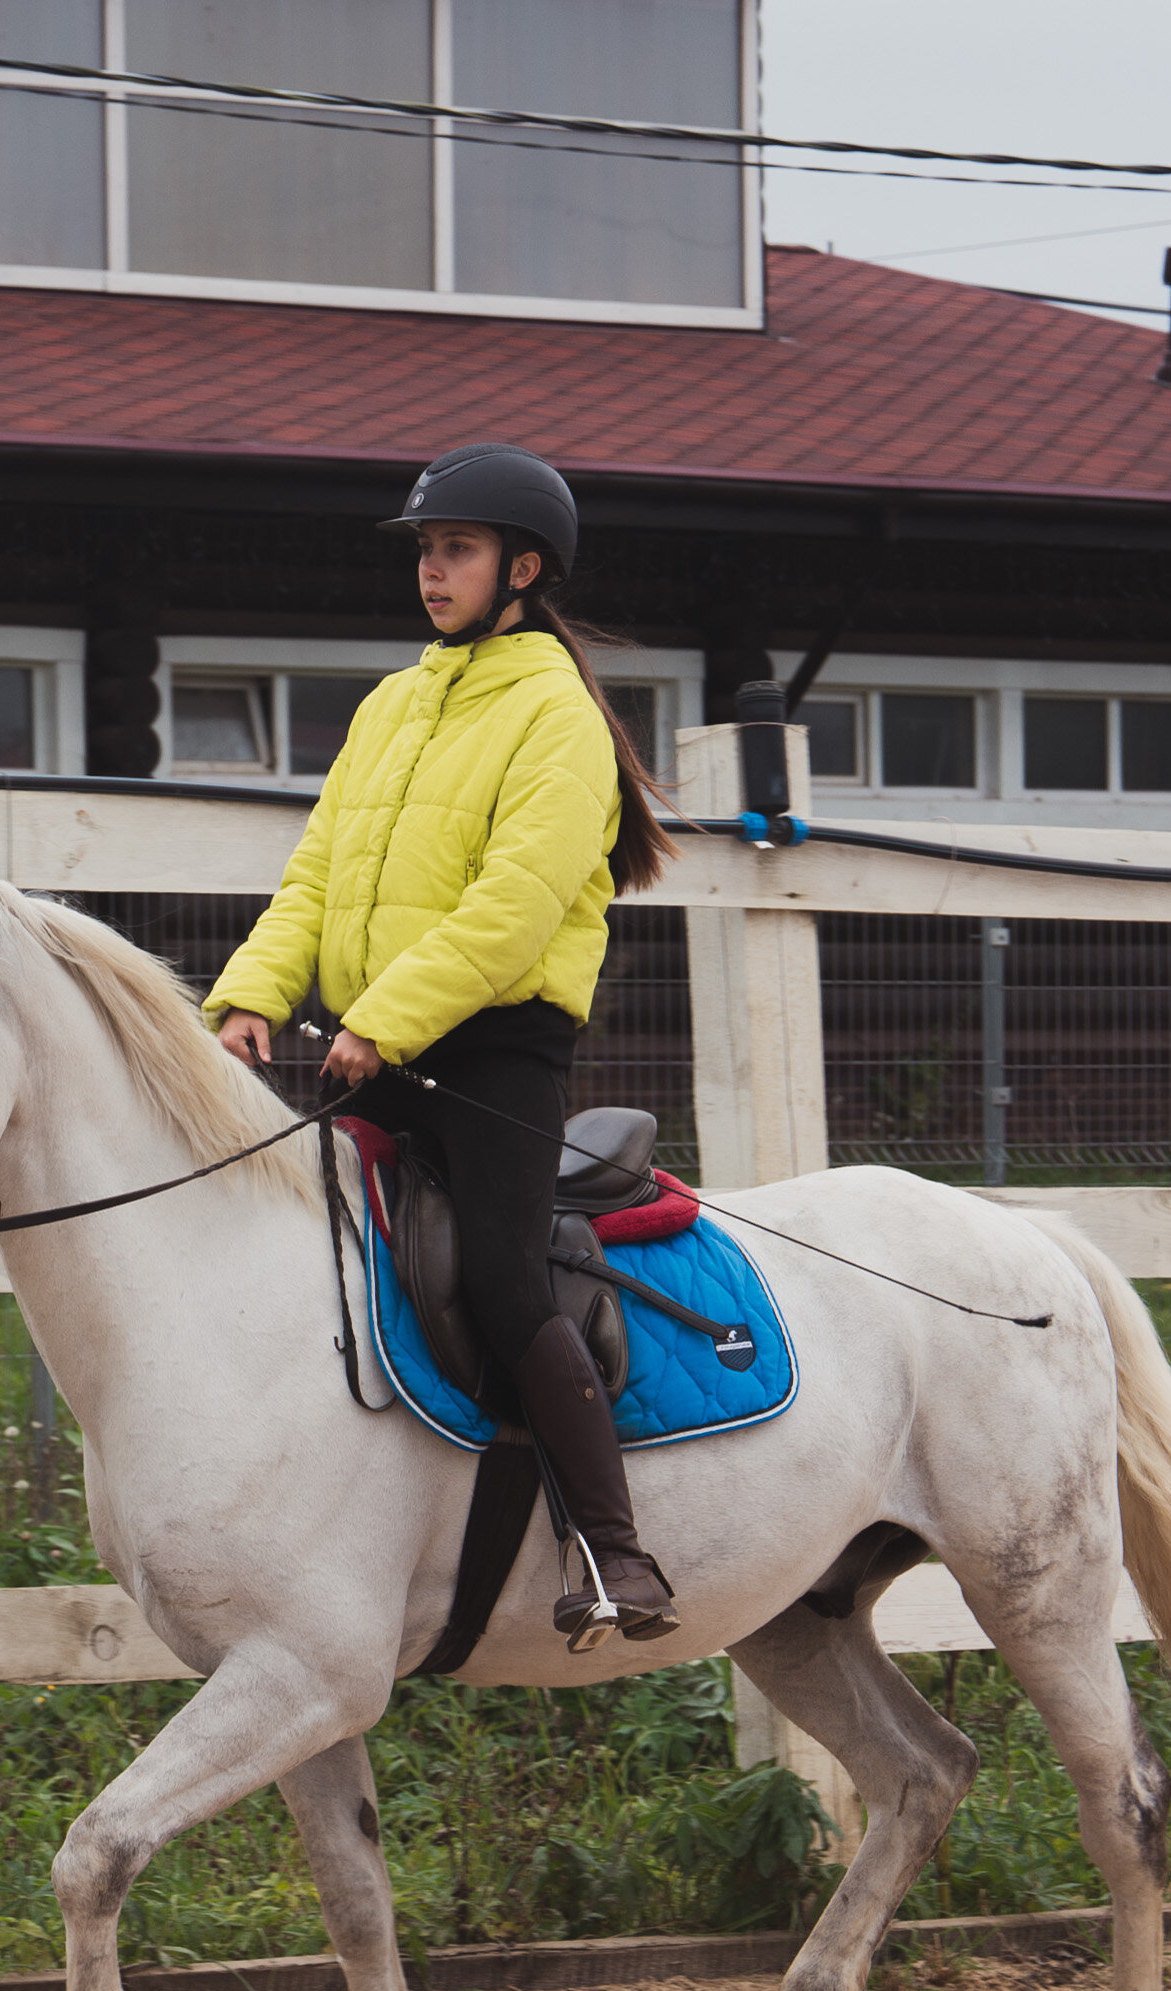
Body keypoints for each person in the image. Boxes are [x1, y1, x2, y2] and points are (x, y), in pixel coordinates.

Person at [202, 440, 681, 1644]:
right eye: (425, 549)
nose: (432, 569)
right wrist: (253, 992)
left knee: (505, 1279)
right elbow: (318, 872)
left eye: (455, 549)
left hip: (494, 1051)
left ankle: (615, 1549)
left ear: (524, 568)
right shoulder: (396, 701)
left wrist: (383, 1020)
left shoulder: (556, 718)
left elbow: (510, 910)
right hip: (374, 1040)